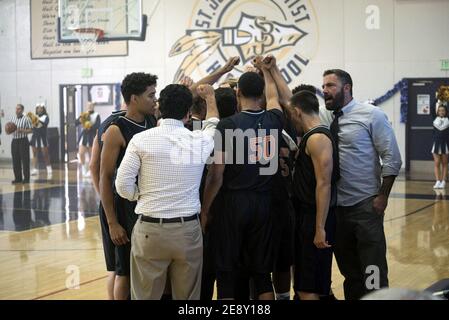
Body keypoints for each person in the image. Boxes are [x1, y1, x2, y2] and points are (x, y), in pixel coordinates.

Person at [115, 84, 220, 300]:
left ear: (159, 108)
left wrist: (139, 195)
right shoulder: (200, 140)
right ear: (188, 113)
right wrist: (210, 97)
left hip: (149, 229)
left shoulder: (141, 140)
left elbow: (122, 184)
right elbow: (213, 123)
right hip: (187, 230)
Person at [201, 57, 284, 300]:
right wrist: (268, 72)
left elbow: (216, 173)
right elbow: (273, 98)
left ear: (238, 93)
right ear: (261, 93)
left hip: (234, 203)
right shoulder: (274, 120)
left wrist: (205, 208)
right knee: (261, 275)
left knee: (226, 273)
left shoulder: (227, 124)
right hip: (264, 203)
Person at [320, 69, 402, 300]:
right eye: (323, 86)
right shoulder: (325, 117)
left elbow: (392, 157)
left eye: (330, 86)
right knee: (350, 272)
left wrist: (382, 196)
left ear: (347, 88)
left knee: (373, 270)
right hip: (337, 209)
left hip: (365, 206)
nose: (325, 90)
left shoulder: (371, 115)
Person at [99, 72, 158, 300]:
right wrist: (112, 222)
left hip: (143, 203)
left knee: (142, 268)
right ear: (134, 98)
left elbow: (184, 96)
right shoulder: (116, 129)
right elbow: (105, 177)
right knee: (124, 270)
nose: (155, 100)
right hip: (121, 206)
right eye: (151, 95)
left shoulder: (152, 120)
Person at [288, 90, 338, 300]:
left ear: (297, 112)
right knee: (312, 286)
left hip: (313, 219)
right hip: (307, 218)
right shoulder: (313, 135)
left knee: (307, 289)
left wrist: (319, 229)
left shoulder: (317, 138)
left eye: (291, 114)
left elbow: (324, 184)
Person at [9, 104, 33, 184]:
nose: (17, 110)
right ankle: (18, 178)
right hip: (14, 141)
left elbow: (31, 130)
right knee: (15, 160)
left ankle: (26, 178)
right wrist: (8, 130)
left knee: (25, 160)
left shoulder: (26, 119)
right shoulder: (12, 118)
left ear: (22, 110)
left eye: (19, 109)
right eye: (16, 109)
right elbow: (9, 130)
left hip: (23, 141)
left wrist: (23, 130)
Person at [77, 102, 101, 177]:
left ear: (93, 106)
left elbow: (98, 125)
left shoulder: (96, 115)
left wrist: (90, 126)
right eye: (88, 106)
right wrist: (81, 119)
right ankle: (84, 168)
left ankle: (91, 171)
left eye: (91, 106)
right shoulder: (84, 114)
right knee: (81, 153)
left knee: (92, 155)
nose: (90, 107)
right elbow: (76, 122)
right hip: (84, 136)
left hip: (92, 135)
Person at [30, 104, 52, 177]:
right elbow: (32, 127)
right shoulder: (34, 117)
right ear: (36, 110)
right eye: (38, 108)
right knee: (35, 154)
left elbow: (43, 124)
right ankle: (34, 169)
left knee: (45, 154)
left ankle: (48, 168)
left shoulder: (46, 117)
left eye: (41, 108)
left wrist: (36, 120)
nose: (39, 110)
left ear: (43, 109)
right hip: (35, 137)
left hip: (43, 138)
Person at [430, 103, 449, 189]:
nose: (441, 112)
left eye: (443, 110)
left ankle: (443, 181)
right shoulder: (434, 119)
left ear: (446, 112)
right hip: (436, 144)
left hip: (445, 144)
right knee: (437, 163)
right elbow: (431, 108)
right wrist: (437, 98)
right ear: (437, 111)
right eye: (440, 110)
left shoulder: (448, 119)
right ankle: (438, 181)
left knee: (445, 163)